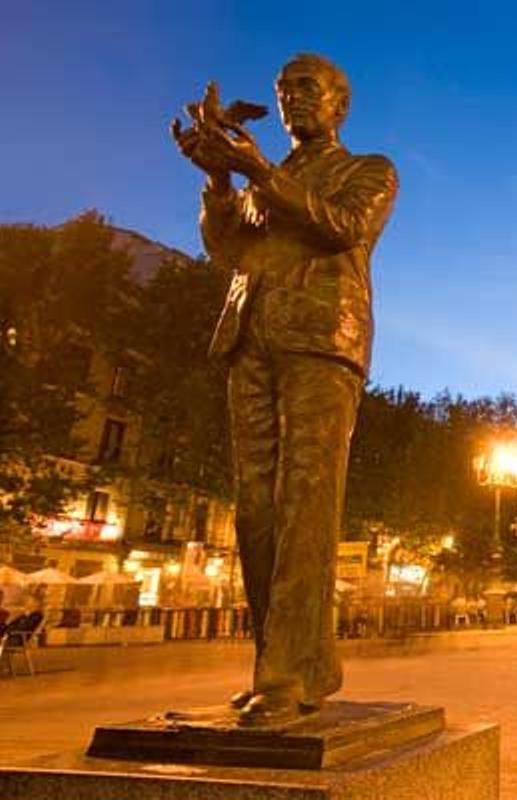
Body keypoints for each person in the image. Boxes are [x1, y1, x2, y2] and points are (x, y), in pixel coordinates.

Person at [172, 54, 398, 724]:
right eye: (283, 90)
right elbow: (227, 249)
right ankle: (287, 665)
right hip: (249, 337)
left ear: (339, 104)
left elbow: (344, 228)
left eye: (307, 88)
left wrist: (257, 170)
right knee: (254, 508)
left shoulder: (369, 170)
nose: (293, 98)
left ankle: (286, 675)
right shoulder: (259, 179)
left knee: (306, 500)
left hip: (323, 339)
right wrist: (216, 173)